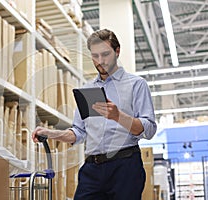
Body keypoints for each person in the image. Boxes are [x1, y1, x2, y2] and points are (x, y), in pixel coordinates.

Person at [32, 29, 157, 200]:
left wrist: (118, 116)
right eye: (95, 56)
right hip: (93, 169)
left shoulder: (136, 85)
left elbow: (149, 129)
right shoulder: (87, 90)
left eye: (105, 54)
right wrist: (52, 133)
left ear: (117, 51)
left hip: (125, 166)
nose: (100, 61)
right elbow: (79, 132)